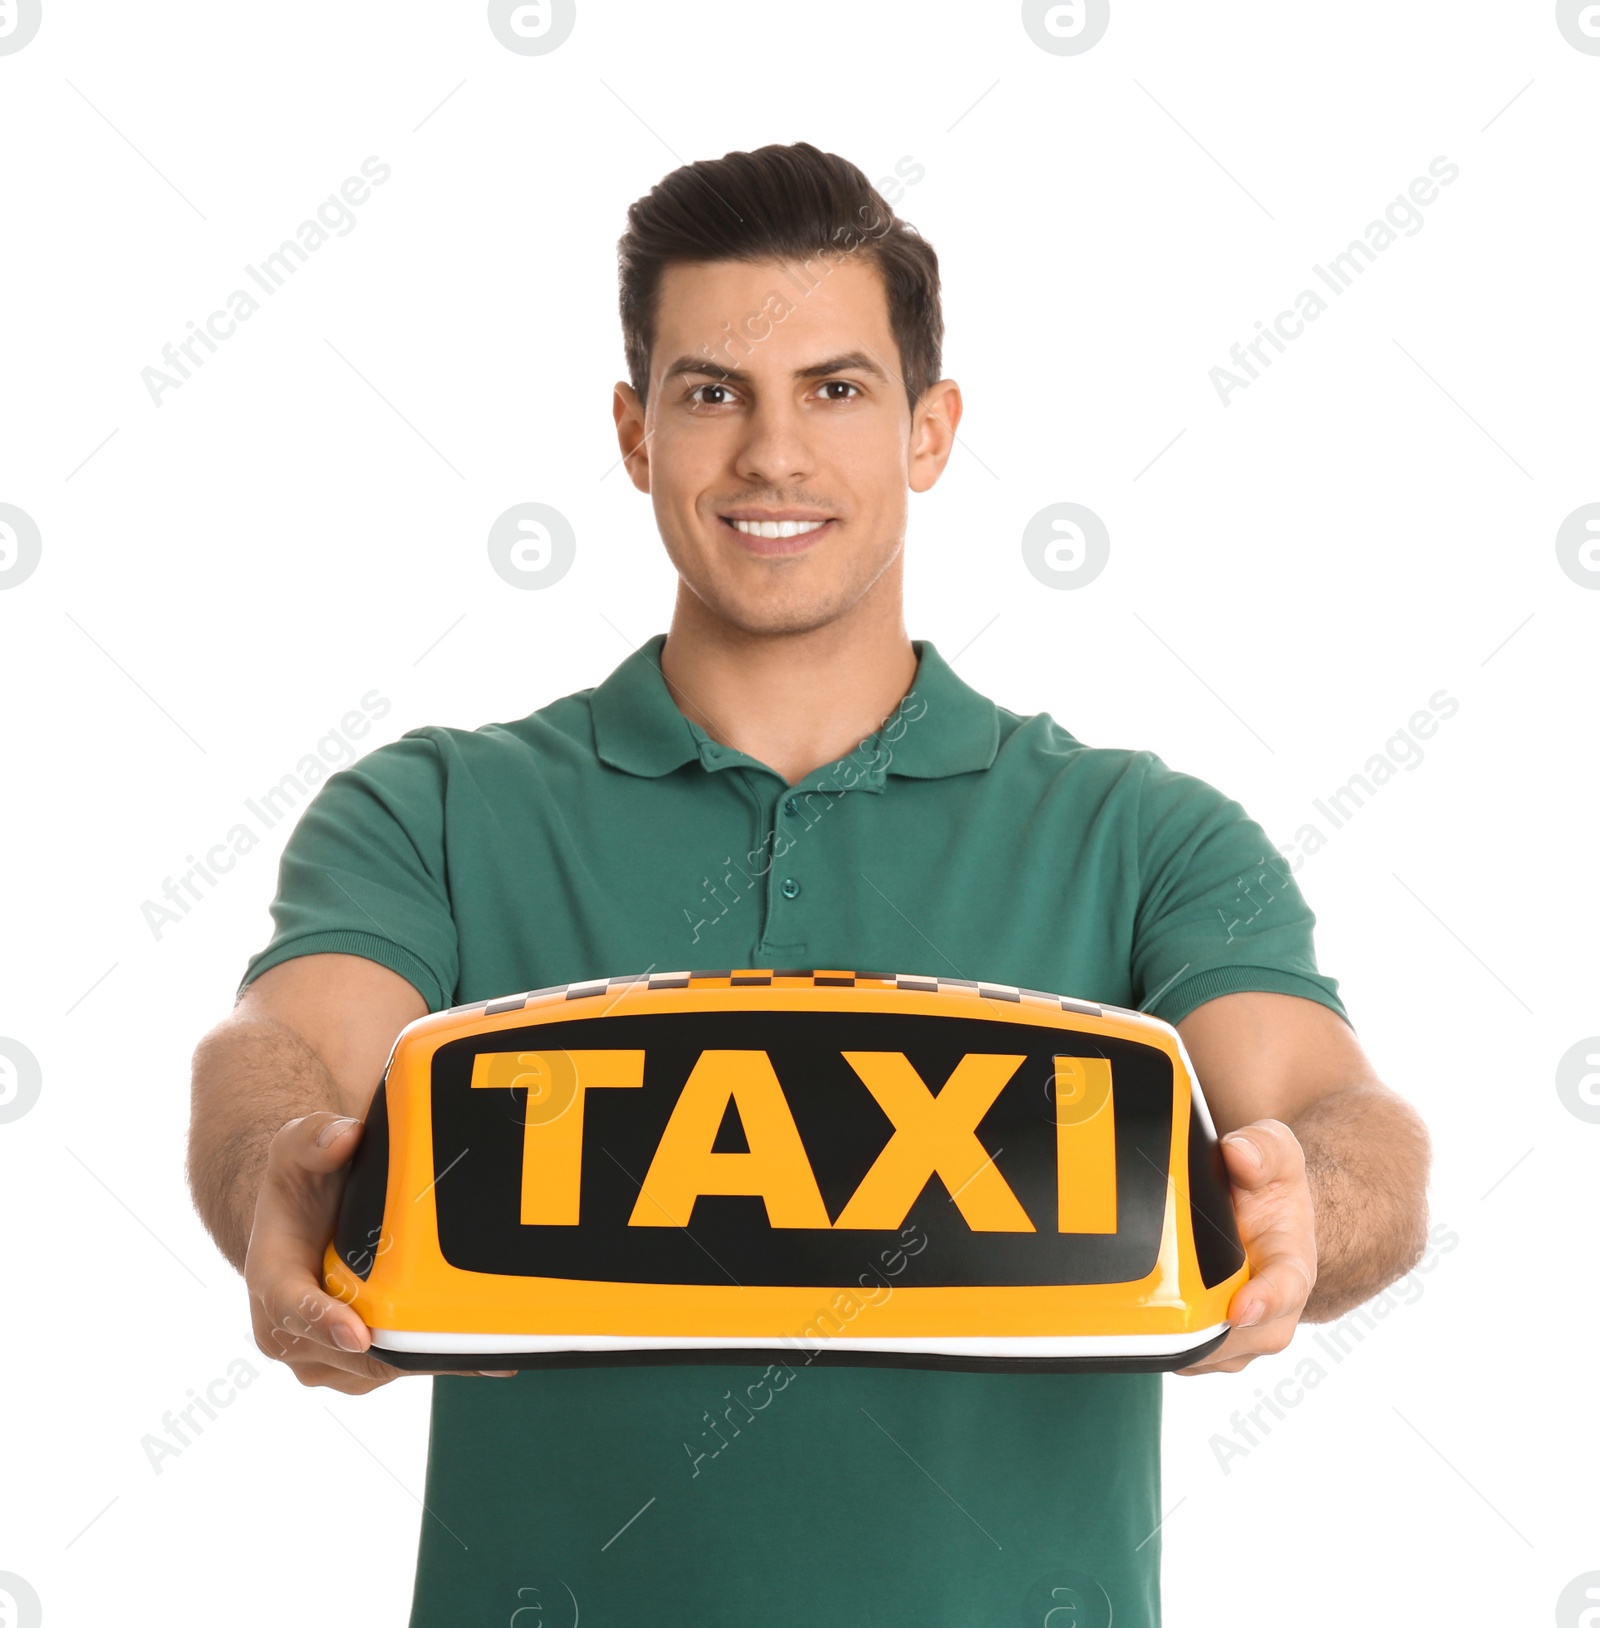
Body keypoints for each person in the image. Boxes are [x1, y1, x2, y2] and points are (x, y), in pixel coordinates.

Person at [186, 141, 1432, 1627]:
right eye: (714, 393)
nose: (771, 455)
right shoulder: (438, 809)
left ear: (930, 429)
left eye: (835, 389)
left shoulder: (1140, 832)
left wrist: (1314, 1214)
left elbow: (1348, 1123)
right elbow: (285, 1055)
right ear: (637, 434)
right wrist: (278, 1168)